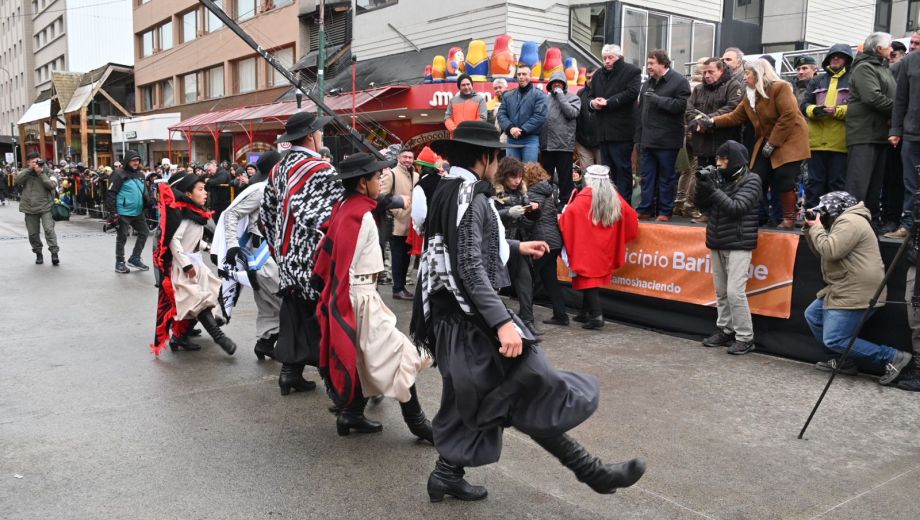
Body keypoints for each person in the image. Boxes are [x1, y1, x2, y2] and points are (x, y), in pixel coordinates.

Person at [412, 120, 645, 502]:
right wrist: (503, 322)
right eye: (497, 155)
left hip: (452, 317)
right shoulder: (468, 195)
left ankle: (446, 474)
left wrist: (518, 248)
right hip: (470, 318)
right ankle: (593, 472)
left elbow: (454, 249)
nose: (499, 161)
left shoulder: (448, 189)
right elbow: (468, 266)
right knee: (527, 387)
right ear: (485, 157)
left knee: (485, 398)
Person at [312, 152, 434, 441]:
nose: (381, 181)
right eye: (377, 177)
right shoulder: (361, 215)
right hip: (358, 297)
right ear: (363, 183)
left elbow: (329, 257)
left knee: (363, 359)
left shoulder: (346, 207)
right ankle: (418, 424)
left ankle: (351, 415)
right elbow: (344, 265)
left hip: (356, 296)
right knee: (400, 354)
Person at [261, 110, 342, 396]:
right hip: (315, 260)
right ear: (310, 136)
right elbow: (336, 214)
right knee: (326, 320)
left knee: (294, 315)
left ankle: (289, 373)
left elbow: (266, 214)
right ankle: (341, 389)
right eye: (319, 131)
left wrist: (279, 250)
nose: (322, 135)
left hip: (288, 259)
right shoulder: (321, 169)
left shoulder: (277, 169)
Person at [803, 191, 913, 384]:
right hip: (845, 286)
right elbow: (821, 250)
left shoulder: (850, 221)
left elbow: (830, 251)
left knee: (835, 339)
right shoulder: (844, 220)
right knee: (814, 315)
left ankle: (892, 357)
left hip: (856, 289)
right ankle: (842, 361)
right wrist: (809, 228)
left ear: (835, 208)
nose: (822, 214)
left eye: (824, 210)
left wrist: (817, 227)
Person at [706, 59, 810, 230]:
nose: (744, 76)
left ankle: (789, 219)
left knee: (784, 178)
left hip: (790, 140)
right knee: (755, 177)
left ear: (758, 73)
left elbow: (788, 116)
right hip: (768, 140)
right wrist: (712, 121)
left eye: (747, 73)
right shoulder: (750, 95)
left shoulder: (780, 87)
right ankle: (756, 216)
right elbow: (735, 116)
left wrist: (773, 142)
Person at [151, 172, 237, 356]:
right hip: (183, 267)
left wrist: (209, 248)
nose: (205, 192)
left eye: (205, 188)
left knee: (208, 293)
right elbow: (175, 241)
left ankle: (182, 335)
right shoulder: (185, 216)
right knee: (196, 300)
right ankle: (219, 337)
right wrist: (186, 265)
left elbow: (194, 240)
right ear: (188, 194)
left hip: (195, 263)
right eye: (200, 189)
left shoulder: (195, 214)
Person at [214, 151, 283, 361]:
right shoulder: (261, 190)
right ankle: (294, 357)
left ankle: (265, 343)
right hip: (263, 257)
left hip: (263, 257)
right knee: (286, 303)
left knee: (269, 305)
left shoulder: (269, 187)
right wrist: (233, 245)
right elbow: (231, 214)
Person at [694, 141, 761, 355]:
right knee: (721, 292)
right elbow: (701, 206)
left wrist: (713, 190)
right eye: (717, 159)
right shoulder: (718, 179)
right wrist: (702, 186)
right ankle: (726, 330)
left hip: (739, 243)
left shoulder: (752, 180)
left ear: (735, 161)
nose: (719, 163)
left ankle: (745, 337)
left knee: (735, 292)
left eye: (723, 159)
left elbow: (737, 208)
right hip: (717, 240)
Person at [559, 164, 639, 330]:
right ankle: (585, 313)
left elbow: (568, 216)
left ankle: (596, 315)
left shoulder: (584, 197)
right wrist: (621, 235)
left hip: (586, 246)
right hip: (605, 247)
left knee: (588, 279)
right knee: (590, 279)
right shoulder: (613, 196)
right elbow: (631, 215)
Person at [841, 32, 895, 229]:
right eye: (889, 46)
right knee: (858, 185)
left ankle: (868, 226)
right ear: (879, 49)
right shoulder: (864, 68)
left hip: (879, 134)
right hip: (864, 133)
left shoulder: (883, 68)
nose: (892, 50)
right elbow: (872, 97)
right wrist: (900, 109)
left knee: (874, 187)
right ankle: (850, 227)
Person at [635, 49, 691, 221]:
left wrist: (658, 100)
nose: (648, 67)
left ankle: (665, 211)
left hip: (667, 140)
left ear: (663, 63)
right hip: (647, 140)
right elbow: (641, 111)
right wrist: (638, 138)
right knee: (647, 177)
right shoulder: (647, 84)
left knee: (666, 178)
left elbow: (681, 106)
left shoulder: (679, 81)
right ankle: (646, 208)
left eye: (652, 63)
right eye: (648, 63)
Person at [685, 57, 743, 220]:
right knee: (705, 179)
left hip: (723, 143)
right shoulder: (698, 90)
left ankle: (720, 213)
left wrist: (709, 121)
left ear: (721, 70)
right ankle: (706, 212)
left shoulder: (733, 85)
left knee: (723, 180)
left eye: (711, 72)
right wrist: (697, 122)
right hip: (702, 143)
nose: (707, 75)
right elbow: (688, 109)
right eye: (705, 72)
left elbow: (733, 107)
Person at [801, 44, 853, 210]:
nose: (836, 58)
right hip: (816, 142)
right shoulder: (817, 80)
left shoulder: (854, 79)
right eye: (833, 56)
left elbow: (858, 107)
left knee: (836, 183)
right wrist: (816, 110)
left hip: (840, 142)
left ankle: (834, 219)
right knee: (814, 182)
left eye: (840, 56)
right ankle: (811, 219)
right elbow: (804, 105)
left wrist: (837, 112)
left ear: (847, 60)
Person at [586, 44, 641, 200]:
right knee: (607, 170)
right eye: (604, 58)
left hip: (622, 131)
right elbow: (589, 96)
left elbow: (631, 93)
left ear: (619, 57)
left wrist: (609, 102)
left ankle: (623, 203)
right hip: (603, 131)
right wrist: (593, 103)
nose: (607, 61)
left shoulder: (632, 71)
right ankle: (610, 202)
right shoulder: (597, 75)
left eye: (611, 58)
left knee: (622, 168)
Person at [493, 157, 541, 336]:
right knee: (493, 284)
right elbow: (489, 215)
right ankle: (496, 321)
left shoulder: (522, 193)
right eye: (513, 177)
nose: (517, 181)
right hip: (498, 243)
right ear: (504, 176)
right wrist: (507, 213)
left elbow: (527, 224)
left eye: (519, 177)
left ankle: (527, 320)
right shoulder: (495, 191)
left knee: (525, 280)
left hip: (517, 244)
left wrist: (534, 212)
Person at [523, 162, 570, 327]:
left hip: (541, 241)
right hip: (555, 241)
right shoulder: (548, 192)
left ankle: (525, 317)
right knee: (550, 280)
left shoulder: (532, 194)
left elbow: (531, 221)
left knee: (526, 279)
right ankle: (561, 315)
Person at [888, 39, 920, 239]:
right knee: (911, 184)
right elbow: (900, 99)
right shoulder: (911, 60)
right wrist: (895, 129)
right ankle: (908, 226)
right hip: (912, 132)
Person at [380, 147, 419, 301]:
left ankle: (401, 287)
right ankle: (397, 288)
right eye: (405, 157)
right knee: (398, 257)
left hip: (411, 225)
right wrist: (396, 211)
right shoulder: (391, 174)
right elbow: (382, 197)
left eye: (410, 157)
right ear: (398, 158)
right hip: (397, 224)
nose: (408, 160)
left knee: (406, 258)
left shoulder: (416, 175)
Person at [106, 150, 151, 273]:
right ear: (127, 161)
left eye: (137, 160)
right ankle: (119, 262)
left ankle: (135, 258)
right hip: (123, 212)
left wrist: (149, 201)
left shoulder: (141, 175)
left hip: (138, 212)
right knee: (122, 237)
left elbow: (144, 191)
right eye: (133, 160)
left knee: (144, 232)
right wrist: (113, 213)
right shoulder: (118, 174)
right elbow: (111, 193)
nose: (136, 162)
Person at [539, 72, 580, 203]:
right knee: (546, 178)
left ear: (564, 84)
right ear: (550, 85)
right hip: (547, 145)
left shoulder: (573, 98)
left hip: (564, 146)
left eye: (559, 82)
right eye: (554, 82)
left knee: (565, 179)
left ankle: (565, 204)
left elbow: (572, 113)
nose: (556, 84)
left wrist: (561, 95)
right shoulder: (544, 99)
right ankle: (546, 204)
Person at [15, 152, 59, 265]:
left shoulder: (49, 172)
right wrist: (30, 169)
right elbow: (17, 181)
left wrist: (41, 173)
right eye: (33, 161)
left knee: (49, 230)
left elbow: (52, 185)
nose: (36, 163)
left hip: (46, 207)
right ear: (29, 162)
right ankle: (38, 253)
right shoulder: (26, 172)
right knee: (33, 234)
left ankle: (54, 253)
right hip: (29, 208)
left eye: (37, 161)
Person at [497, 64, 547, 162]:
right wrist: (510, 128)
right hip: (511, 140)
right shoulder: (508, 95)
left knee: (529, 173)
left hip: (530, 140)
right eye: (519, 74)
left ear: (530, 76)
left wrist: (522, 130)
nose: (521, 77)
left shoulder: (539, 95)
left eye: (524, 74)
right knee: (511, 173)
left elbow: (539, 116)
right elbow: (501, 114)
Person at [411, 146, 442, 235]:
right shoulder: (445, 181)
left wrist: (419, 229)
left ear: (421, 167)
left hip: (430, 230)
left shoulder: (421, 186)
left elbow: (419, 215)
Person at [574, 67, 601, 169]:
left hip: (601, 142)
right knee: (587, 174)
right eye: (588, 77)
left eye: (593, 77)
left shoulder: (606, 92)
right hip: (583, 142)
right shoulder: (580, 94)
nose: (590, 80)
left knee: (602, 175)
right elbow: (576, 116)